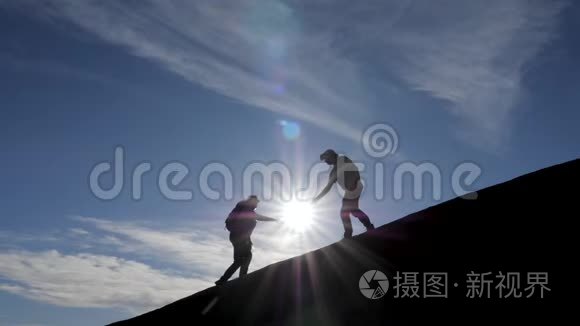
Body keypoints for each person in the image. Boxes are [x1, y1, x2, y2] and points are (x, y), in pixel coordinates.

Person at [215, 195, 278, 285]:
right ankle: (242, 279)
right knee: (247, 257)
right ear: (253, 201)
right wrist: (273, 219)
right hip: (241, 237)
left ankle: (223, 280)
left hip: (235, 236)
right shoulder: (247, 209)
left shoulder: (241, 208)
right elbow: (259, 217)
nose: (257, 204)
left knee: (239, 260)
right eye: (256, 202)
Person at [312, 149, 374, 238]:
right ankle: (368, 226)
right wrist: (317, 198)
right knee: (353, 210)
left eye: (326, 159)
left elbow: (355, 169)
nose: (326, 162)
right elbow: (328, 188)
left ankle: (349, 233)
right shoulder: (333, 172)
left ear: (331, 155)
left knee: (345, 211)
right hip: (349, 191)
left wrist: (355, 181)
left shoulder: (343, 159)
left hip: (355, 186)